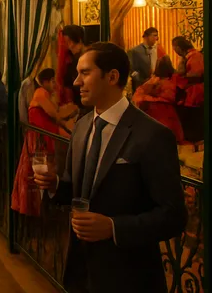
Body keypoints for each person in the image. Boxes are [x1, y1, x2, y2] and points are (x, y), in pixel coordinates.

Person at [34, 42, 186, 293]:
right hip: (82, 271)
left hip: (129, 276)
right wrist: (56, 185)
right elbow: (78, 191)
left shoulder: (152, 135)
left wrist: (114, 227)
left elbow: (173, 216)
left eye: (85, 73)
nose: (75, 82)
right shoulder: (82, 127)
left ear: (113, 76)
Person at [11, 69, 77, 217]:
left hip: (43, 138)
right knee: (37, 176)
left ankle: (42, 209)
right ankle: (36, 211)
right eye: (53, 81)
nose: (55, 84)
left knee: (42, 175)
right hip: (38, 140)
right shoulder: (40, 93)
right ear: (46, 81)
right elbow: (56, 115)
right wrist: (73, 108)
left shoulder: (44, 95)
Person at [132, 56, 184, 143]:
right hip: (167, 111)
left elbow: (138, 94)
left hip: (152, 111)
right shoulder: (174, 79)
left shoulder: (153, 80)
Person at [171, 36, 204, 143]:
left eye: (174, 48)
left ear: (179, 47)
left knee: (193, 120)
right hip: (189, 93)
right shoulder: (188, 57)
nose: (175, 51)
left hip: (195, 93)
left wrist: (181, 77)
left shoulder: (195, 56)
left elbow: (197, 74)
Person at [61, 25, 89, 112]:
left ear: (79, 39)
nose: (68, 46)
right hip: (80, 107)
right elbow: (68, 84)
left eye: (69, 42)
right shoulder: (72, 62)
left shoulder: (93, 56)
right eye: (66, 43)